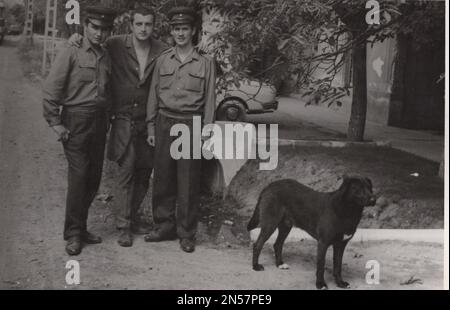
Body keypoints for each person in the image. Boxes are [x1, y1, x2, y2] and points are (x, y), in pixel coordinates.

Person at [68, 7, 167, 247]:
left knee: (144, 172)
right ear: (131, 25)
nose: (143, 29)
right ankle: (123, 227)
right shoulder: (114, 44)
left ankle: (131, 217)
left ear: (154, 26)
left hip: (149, 121)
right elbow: (91, 43)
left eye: (148, 24)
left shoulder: (162, 49)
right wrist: (74, 37)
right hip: (123, 119)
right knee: (126, 170)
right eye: (139, 24)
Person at [42, 6, 117, 256]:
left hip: (98, 123)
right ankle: (73, 234)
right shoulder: (71, 50)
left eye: (104, 29)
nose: (99, 33)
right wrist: (56, 123)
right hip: (75, 121)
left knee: (93, 177)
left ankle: (80, 226)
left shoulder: (105, 55)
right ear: (85, 25)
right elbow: (52, 89)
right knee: (79, 176)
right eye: (95, 27)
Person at [145, 6, 216, 253]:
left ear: (193, 30)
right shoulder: (163, 59)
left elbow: (210, 99)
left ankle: (186, 232)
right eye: (176, 29)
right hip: (165, 121)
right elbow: (153, 95)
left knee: (188, 180)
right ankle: (164, 226)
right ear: (171, 31)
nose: (180, 33)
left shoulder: (205, 62)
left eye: (185, 28)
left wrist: (207, 129)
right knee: (163, 177)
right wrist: (151, 126)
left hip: (190, 124)